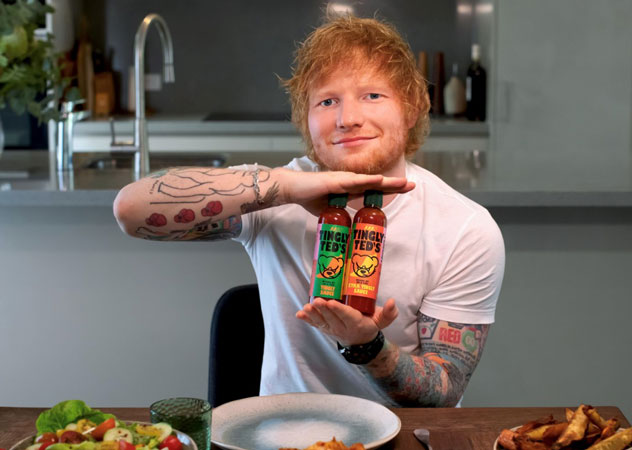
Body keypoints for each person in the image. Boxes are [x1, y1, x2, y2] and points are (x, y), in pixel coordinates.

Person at [113, 14, 504, 407]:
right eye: (327, 101)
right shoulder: (272, 193)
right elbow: (131, 210)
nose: (347, 118)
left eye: (372, 95)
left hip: (398, 438)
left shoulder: (464, 229)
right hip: (283, 433)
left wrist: (368, 346)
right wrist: (286, 188)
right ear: (307, 119)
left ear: (414, 107)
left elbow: (443, 390)